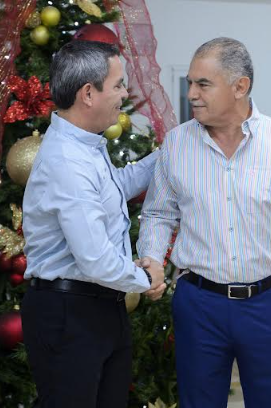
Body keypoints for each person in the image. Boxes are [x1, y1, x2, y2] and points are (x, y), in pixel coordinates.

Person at [137, 37, 271, 408]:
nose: (192, 94)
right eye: (190, 83)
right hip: (198, 304)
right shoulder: (176, 144)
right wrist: (151, 256)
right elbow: (159, 213)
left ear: (240, 86)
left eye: (203, 84)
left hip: (267, 305)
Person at [21, 40, 166, 408]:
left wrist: (170, 153)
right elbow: (96, 260)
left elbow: (117, 188)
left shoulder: (85, 147)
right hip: (70, 313)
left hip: (99, 306)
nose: (124, 95)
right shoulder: (67, 161)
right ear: (88, 93)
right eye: (118, 85)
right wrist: (146, 279)